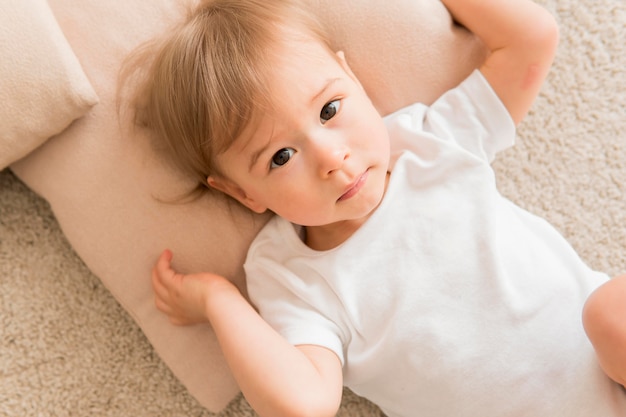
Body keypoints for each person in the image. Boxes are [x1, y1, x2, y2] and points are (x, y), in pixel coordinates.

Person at [132, 0, 626, 415]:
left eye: (330, 110)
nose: (331, 158)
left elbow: (532, 38)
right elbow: (303, 405)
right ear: (244, 194)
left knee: (610, 313)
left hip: (609, 363)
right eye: (281, 157)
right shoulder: (292, 275)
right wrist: (219, 302)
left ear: (352, 77)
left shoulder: (426, 142)